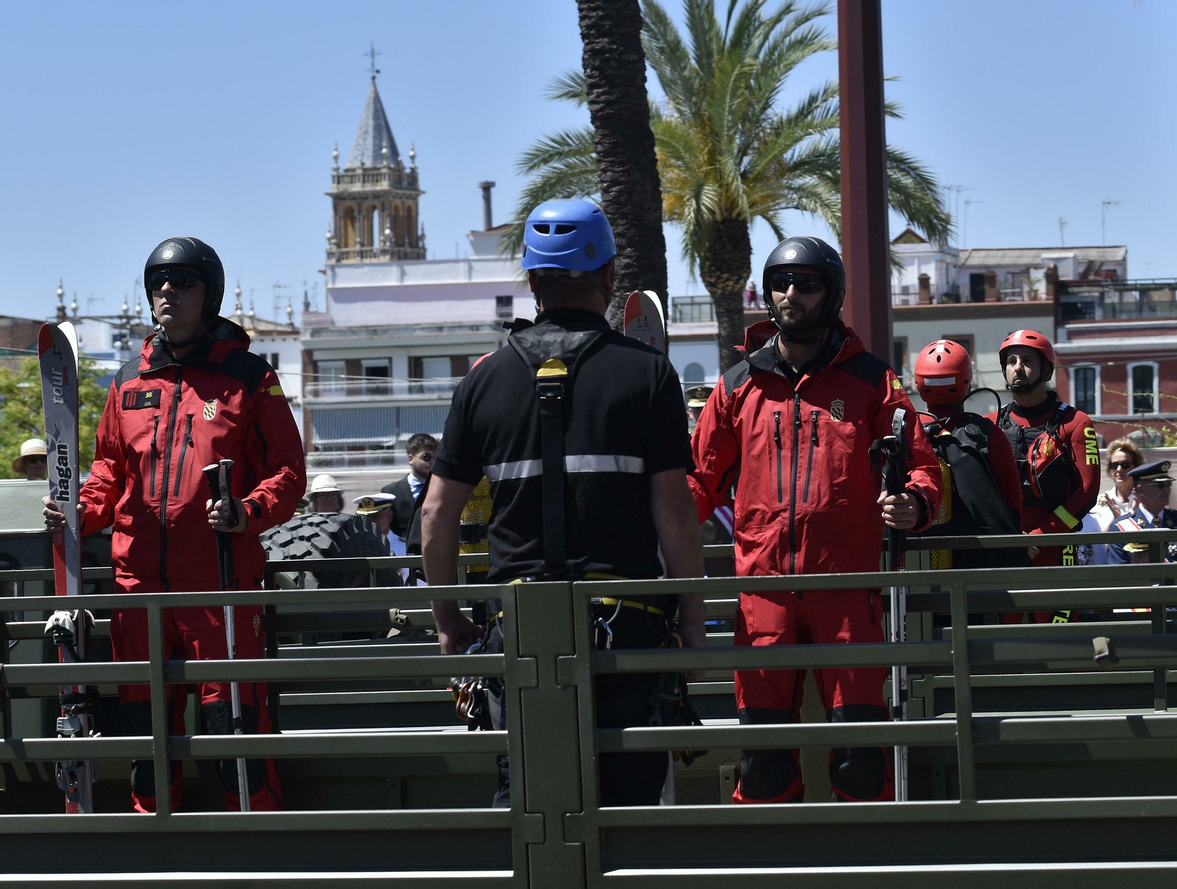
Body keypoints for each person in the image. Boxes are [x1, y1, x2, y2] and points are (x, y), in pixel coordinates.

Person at [421, 199, 706, 808]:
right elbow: (674, 511)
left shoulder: (483, 380)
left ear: (531, 280)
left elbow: (435, 514)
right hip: (627, 631)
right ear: (607, 276)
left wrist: (448, 622)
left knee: (525, 800)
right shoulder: (650, 375)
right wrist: (689, 616)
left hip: (516, 633)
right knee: (626, 805)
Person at [43, 236, 304, 811]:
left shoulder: (249, 377)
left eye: (183, 282)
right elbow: (110, 470)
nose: (168, 291)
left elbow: (287, 471)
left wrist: (247, 512)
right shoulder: (128, 382)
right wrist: (78, 511)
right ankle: (150, 854)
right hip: (138, 590)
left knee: (234, 731)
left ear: (209, 295)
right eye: (159, 283)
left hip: (221, 588)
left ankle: (260, 856)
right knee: (145, 735)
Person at [687, 235, 942, 804]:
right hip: (761, 595)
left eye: (806, 283)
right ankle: (768, 878)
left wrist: (915, 504)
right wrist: (650, 535)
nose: (790, 294)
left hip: (847, 591)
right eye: (781, 283)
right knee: (763, 762)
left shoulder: (874, 381)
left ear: (832, 295)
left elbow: (922, 467)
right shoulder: (735, 386)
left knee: (859, 758)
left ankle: (861, 876)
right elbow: (697, 483)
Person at [987, 329, 1098, 577]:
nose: (1017, 367)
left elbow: (1087, 492)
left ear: (1046, 370)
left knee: (1059, 616)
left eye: (1027, 361)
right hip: (1003, 550)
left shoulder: (1076, 422)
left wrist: (1038, 537)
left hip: (1056, 550)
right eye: (1011, 361)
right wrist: (1012, 541)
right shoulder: (988, 425)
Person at [912, 339, 1026, 570]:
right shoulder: (989, 434)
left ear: (918, 383)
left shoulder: (904, 432)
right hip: (979, 567)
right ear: (966, 380)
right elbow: (1013, 505)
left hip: (915, 567)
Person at [1106, 461, 1177, 565]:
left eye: (1168, 484)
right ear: (1141, 490)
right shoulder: (1120, 527)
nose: (1167, 490)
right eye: (1161, 485)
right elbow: (1119, 574)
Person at [1078, 438, 1143, 565]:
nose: (1119, 469)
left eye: (1125, 465)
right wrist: (1117, 522)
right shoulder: (1100, 502)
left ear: (1136, 467)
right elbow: (1095, 546)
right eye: (1114, 465)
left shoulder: (1144, 499)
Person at [383, 432, 435, 553]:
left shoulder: (443, 490)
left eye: (435, 457)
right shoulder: (391, 492)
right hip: (404, 558)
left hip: (437, 554)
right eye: (426, 457)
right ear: (410, 459)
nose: (432, 462)